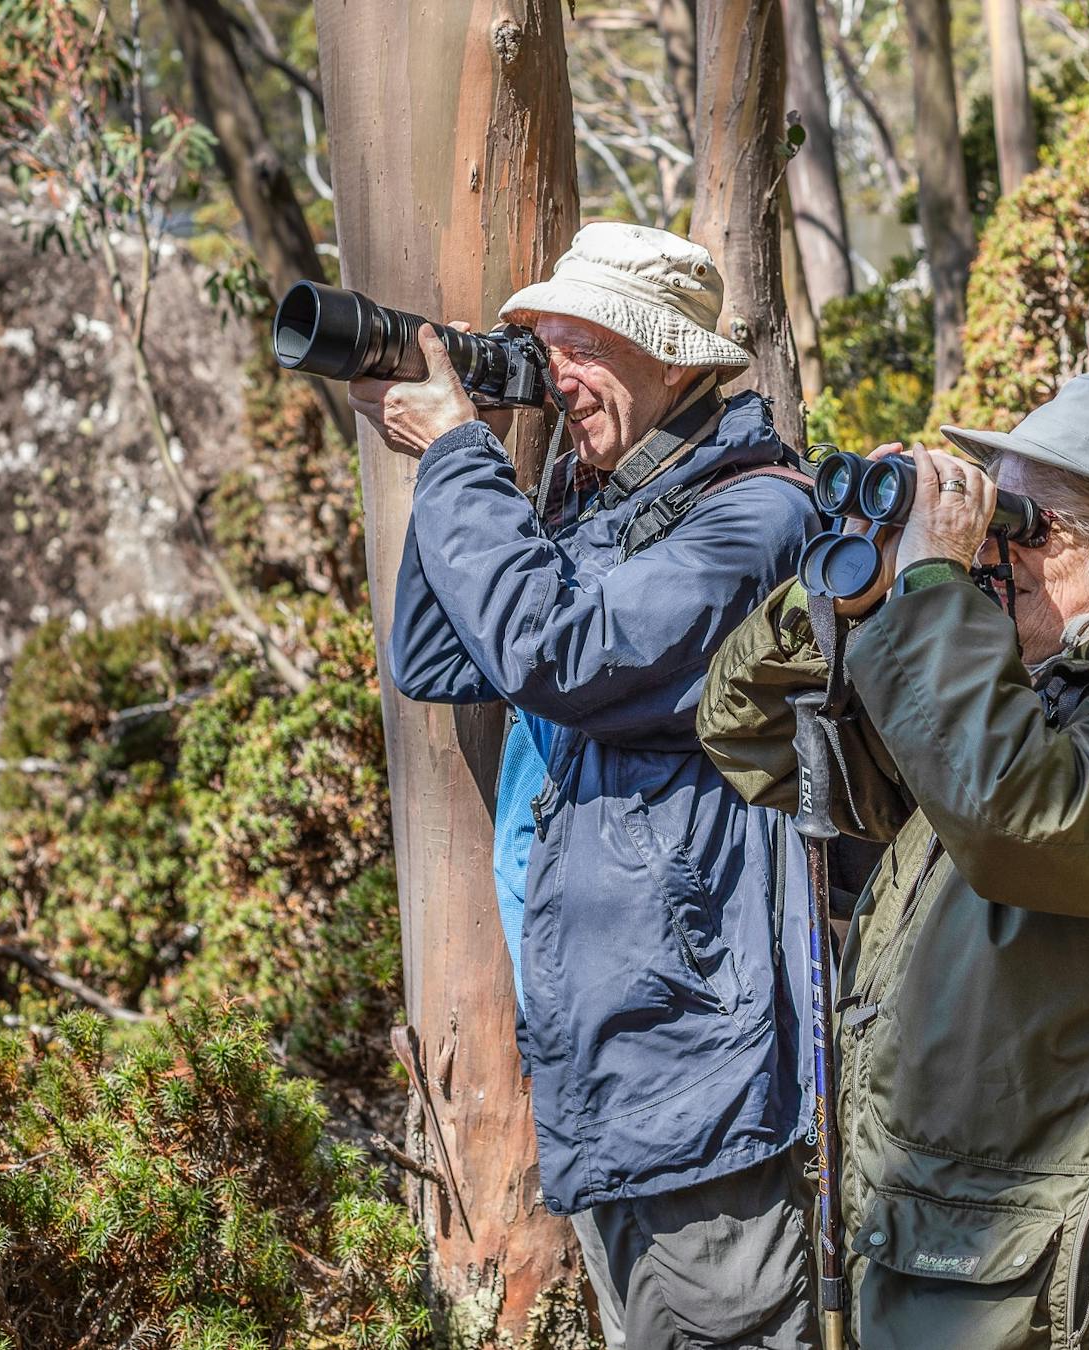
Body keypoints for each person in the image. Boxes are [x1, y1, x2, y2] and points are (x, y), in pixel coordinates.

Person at [696, 375, 1089, 1348]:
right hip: (924, 1228)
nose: (993, 554)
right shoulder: (1003, 699)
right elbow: (746, 731)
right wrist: (853, 581)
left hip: (1039, 1273)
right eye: (992, 514)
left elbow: (1015, 814)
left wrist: (934, 591)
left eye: (1034, 529)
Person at [349, 222, 823, 1349]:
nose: (557, 375)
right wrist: (457, 464)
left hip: (702, 1052)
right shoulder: (607, 503)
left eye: (584, 345)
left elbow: (556, 655)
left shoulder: (758, 516)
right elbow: (438, 657)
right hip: (611, 1043)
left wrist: (462, 458)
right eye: (543, 346)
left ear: (678, 359)